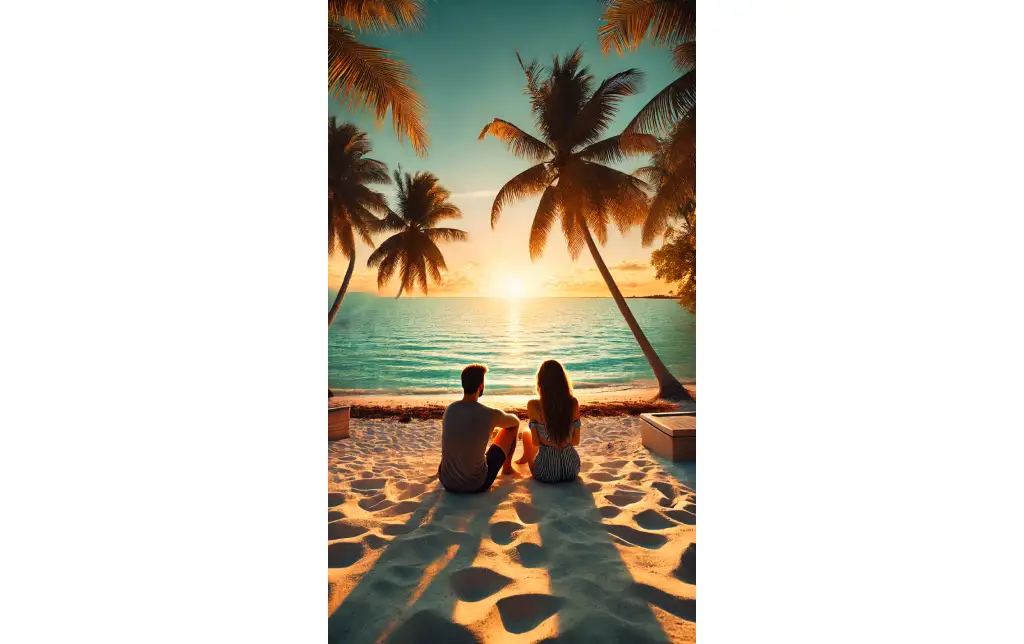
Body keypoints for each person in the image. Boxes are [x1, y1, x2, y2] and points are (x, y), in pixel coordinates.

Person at [437, 364, 521, 493]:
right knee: (511, 427)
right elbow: (515, 421)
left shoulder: (450, 409)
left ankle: (449, 471)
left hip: (446, 482)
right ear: (481, 385)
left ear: (463, 385)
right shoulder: (489, 413)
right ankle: (507, 468)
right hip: (476, 485)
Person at [515, 360, 582, 483]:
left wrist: (548, 440)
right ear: (563, 381)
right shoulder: (573, 403)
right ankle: (526, 457)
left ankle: (525, 458)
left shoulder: (534, 405)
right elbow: (576, 441)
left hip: (546, 473)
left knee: (526, 433)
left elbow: (535, 442)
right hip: (572, 470)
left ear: (540, 382)